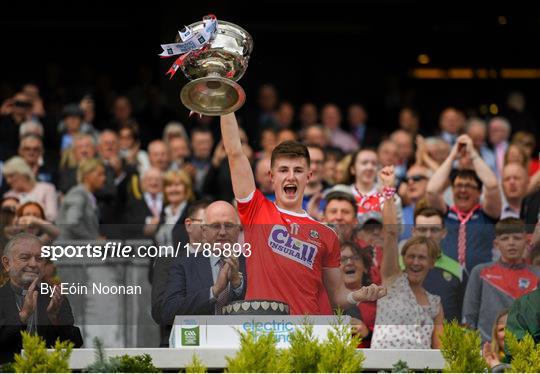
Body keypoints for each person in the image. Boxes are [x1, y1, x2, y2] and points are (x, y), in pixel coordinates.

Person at [220, 112, 385, 314]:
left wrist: (356, 296)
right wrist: (225, 103)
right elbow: (234, 152)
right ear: (271, 176)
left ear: (309, 176)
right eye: (283, 170)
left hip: (306, 334)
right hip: (263, 331)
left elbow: (336, 296)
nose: (291, 177)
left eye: (298, 170)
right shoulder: (256, 209)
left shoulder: (327, 234)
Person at [371, 166, 444, 349]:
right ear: (403, 258)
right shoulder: (391, 280)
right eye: (411, 256)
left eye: (422, 258)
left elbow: (441, 352)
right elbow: (390, 233)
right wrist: (389, 191)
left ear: (432, 263)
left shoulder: (435, 303)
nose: (416, 262)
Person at [0, 233, 83, 363]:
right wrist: (23, 316)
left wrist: (55, 318)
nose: (33, 264)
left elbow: (75, 344)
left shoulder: (53, 297)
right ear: (7, 264)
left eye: (39, 259)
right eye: (25, 257)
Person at [426, 134, 501, 273]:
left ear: (479, 192)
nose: (462, 190)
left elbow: (492, 185)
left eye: (468, 186)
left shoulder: (488, 213)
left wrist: (473, 154)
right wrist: (452, 157)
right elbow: (431, 191)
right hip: (447, 279)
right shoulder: (446, 213)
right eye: (458, 186)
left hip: (482, 279)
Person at [161, 201, 246, 322]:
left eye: (228, 225)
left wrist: (238, 284)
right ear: (204, 231)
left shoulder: (253, 263)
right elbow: (168, 310)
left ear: (238, 230)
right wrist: (214, 291)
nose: (222, 232)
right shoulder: (184, 264)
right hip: (198, 338)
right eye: (215, 226)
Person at [462, 218, 540, 343]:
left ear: (527, 242)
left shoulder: (537, 274)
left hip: (528, 350)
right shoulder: (481, 272)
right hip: (487, 349)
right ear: (496, 244)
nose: (511, 243)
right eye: (505, 238)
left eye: (517, 238)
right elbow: (469, 316)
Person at [152, 200, 209, 346]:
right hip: (177, 346)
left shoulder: (227, 263)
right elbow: (160, 312)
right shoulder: (167, 262)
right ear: (189, 225)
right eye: (205, 223)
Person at [411, 207, 465, 323]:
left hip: (446, 339)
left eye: (434, 230)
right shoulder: (398, 266)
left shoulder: (457, 269)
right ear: (413, 232)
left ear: (444, 233)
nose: (428, 235)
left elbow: (465, 314)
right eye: (422, 230)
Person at [55, 158, 106, 240]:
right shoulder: (78, 194)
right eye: (99, 174)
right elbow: (72, 223)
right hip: (70, 250)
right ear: (87, 175)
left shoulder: (87, 195)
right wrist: (94, 239)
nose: (104, 178)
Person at [340, 241, 376, 348]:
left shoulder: (377, 304)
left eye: (355, 258)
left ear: (365, 267)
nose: (349, 262)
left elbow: (390, 339)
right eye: (342, 259)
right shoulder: (326, 302)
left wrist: (367, 334)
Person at [2, 156, 57, 221]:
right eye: (6, 177)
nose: (8, 181)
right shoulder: (8, 196)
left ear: (24, 173)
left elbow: (52, 216)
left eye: (11, 176)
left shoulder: (47, 189)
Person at [151, 170, 194, 247]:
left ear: (186, 188)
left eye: (177, 185)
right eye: (169, 185)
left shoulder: (193, 212)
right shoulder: (164, 213)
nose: (173, 189)